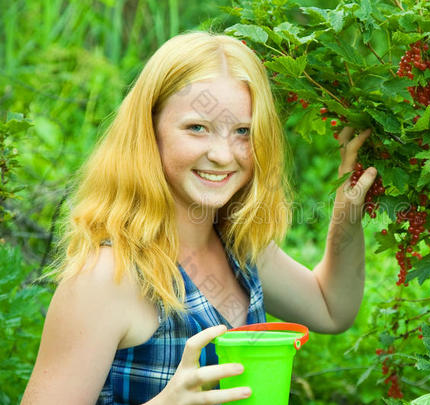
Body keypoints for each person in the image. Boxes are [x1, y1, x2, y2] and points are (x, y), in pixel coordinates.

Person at [21, 31, 377, 405]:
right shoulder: (108, 277)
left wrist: (347, 212)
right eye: (197, 128)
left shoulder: (238, 246)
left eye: (243, 131)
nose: (223, 155)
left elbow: (330, 309)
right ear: (150, 130)